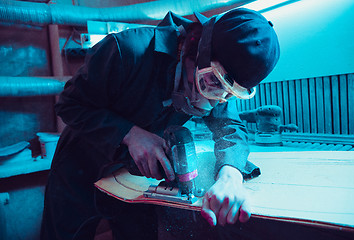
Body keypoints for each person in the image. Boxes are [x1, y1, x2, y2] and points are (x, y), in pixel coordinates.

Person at [41, 7, 280, 240]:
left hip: (136, 175)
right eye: (211, 83)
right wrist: (130, 134)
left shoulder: (221, 86)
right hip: (81, 167)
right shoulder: (127, 51)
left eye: (228, 94)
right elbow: (69, 104)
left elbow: (232, 128)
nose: (211, 102)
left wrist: (231, 175)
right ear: (198, 49)